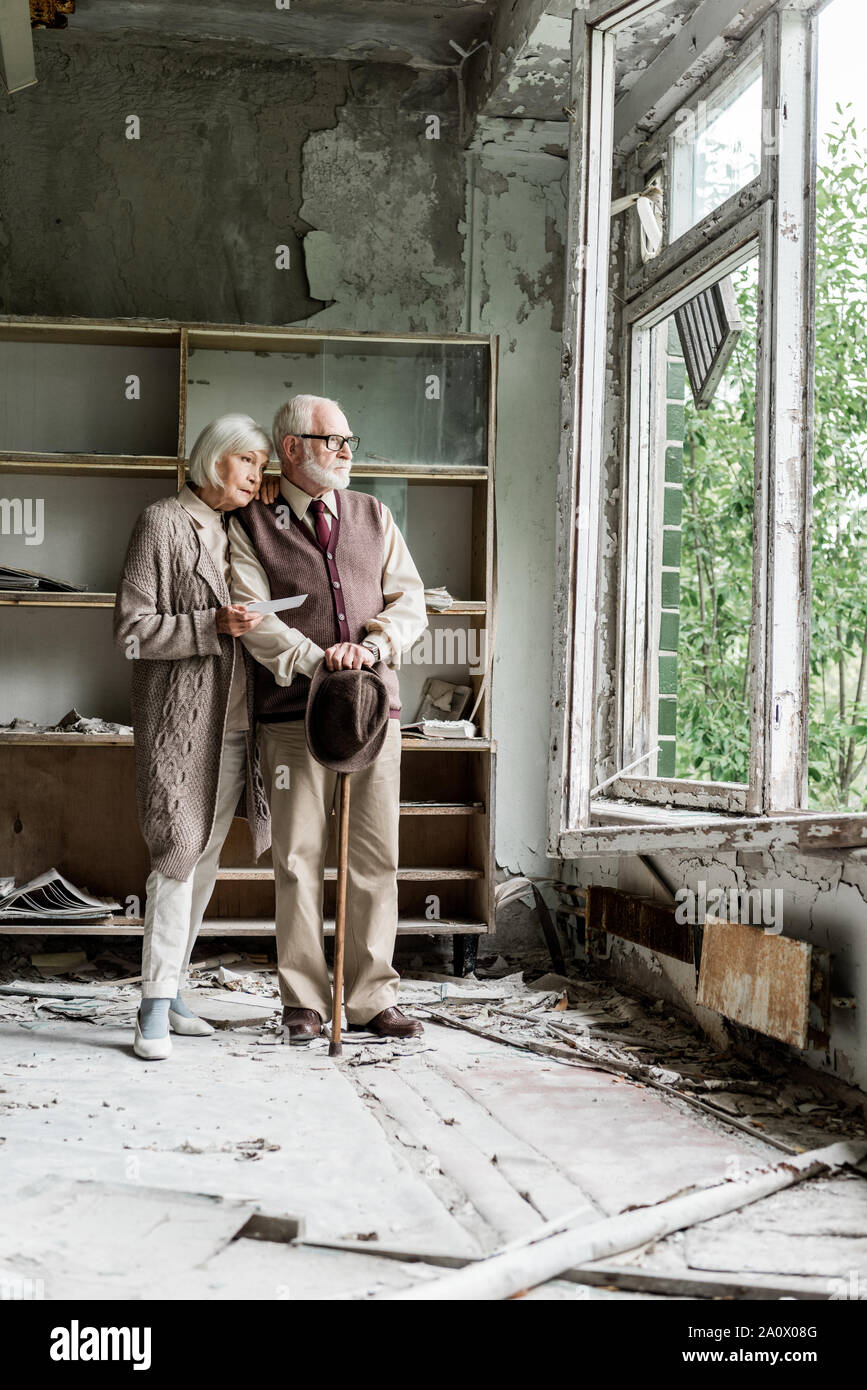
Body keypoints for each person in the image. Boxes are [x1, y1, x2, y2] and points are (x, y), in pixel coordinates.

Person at [228, 393, 429, 1043]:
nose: (346, 453)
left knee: (375, 858)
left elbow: (411, 602)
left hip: (373, 716)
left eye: (349, 442)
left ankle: (371, 998)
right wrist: (319, 660)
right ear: (291, 450)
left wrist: (370, 648)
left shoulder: (374, 514)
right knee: (297, 859)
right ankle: (305, 1002)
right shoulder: (250, 525)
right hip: (292, 719)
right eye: (332, 441)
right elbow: (252, 616)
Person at [114, 413, 276, 1060]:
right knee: (176, 852)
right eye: (248, 465)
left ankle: (173, 988)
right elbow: (132, 630)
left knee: (204, 858)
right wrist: (213, 625)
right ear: (215, 460)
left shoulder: (236, 529)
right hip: (181, 726)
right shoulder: (162, 522)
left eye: (263, 470)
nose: (256, 479)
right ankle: (152, 1006)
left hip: (237, 727)